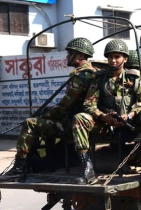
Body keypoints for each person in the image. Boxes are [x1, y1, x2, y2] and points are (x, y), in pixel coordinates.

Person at [0, 37, 98, 182]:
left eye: (70, 53)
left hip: (76, 124)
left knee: (30, 123)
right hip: (85, 123)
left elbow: (64, 107)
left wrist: (46, 115)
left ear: (81, 56)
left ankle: (18, 170)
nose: (67, 56)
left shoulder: (81, 77)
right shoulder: (93, 73)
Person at [71, 39, 141, 184]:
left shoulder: (135, 78)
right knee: (80, 118)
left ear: (125, 59)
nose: (113, 60)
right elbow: (89, 104)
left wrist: (131, 114)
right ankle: (87, 170)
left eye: (117, 57)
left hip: (131, 124)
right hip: (106, 124)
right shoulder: (99, 78)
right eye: (110, 57)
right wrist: (103, 116)